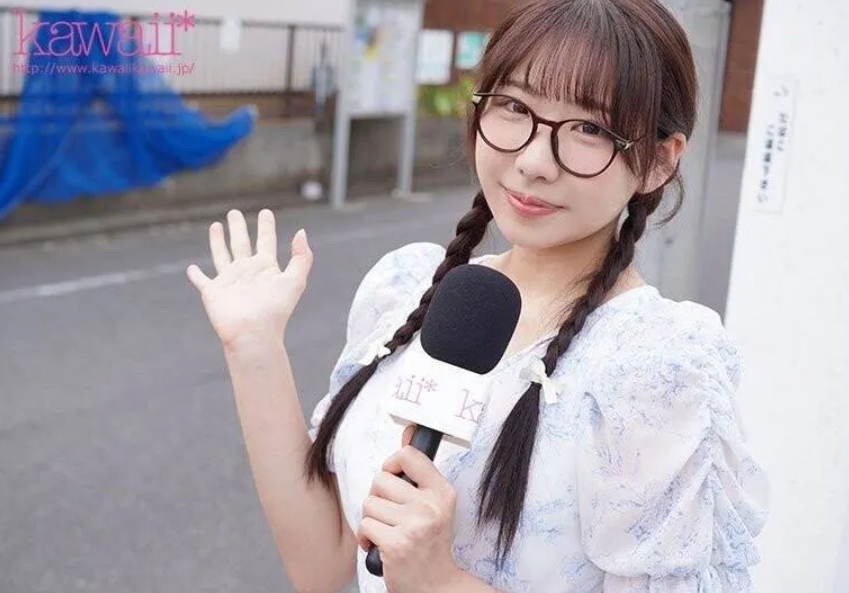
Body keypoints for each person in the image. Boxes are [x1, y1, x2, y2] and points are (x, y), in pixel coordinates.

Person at [186, 0, 770, 591]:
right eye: (515, 106)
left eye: (590, 129)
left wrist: (442, 581)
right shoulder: (411, 290)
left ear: (658, 163)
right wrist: (254, 348)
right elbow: (322, 563)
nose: (534, 162)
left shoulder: (652, 373)